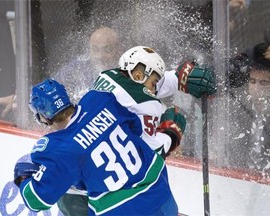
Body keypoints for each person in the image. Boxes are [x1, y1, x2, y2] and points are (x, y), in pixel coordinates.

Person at [58, 45, 216, 216]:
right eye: (154, 81)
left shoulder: (107, 77)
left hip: (68, 182)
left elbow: (145, 86)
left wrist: (178, 79)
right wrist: (171, 134)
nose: (155, 88)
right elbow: (150, 154)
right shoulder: (145, 105)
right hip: (89, 194)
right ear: (139, 75)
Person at [13, 78, 179, 215]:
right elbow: (135, 127)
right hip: (160, 192)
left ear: (43, 117)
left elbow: (37, 200)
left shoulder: (57, 148)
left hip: (122, 210)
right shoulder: (99, 99)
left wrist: (23, 178)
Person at [0, 26, 122, 120]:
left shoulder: (126, 75)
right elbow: (50, 88)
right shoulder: (80, 67)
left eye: (107, 49)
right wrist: (20, 98)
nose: (100, 56)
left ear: (118, 49)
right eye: (95, 49)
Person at [228, 43, 270, 176]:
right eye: (253, 82)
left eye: (263, 83)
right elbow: (229, 152)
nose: (256, 88)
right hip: (240, 180)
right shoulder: (237, 112)